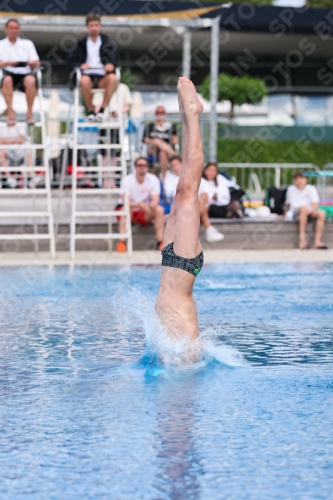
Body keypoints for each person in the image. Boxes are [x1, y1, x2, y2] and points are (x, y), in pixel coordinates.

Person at [155, 77, 206, 349]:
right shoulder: (189, 354)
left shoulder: (184, 355)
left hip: (172, 263)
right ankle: (192, 114)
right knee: (188, 189)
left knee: (183, 189)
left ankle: (188, 114)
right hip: (182, 265)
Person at [67, 13, 118, 123]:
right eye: (91, 25)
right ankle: (91, 111)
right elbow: (70, 61)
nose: (94, 28)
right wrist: (80, 65)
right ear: (87, 27)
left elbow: (115, 59)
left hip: (103, 76)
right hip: (87, 75)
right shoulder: (80, 43)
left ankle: (101, 111)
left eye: (96, 25)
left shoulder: (107, 43)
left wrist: (111, 65)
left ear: (100, 26)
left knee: (114, 78)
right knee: (84, 80)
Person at [164, 155, 224, 242]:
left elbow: (205, 193)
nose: (175, 167)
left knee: (200, 203)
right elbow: (173, 195)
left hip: (194, 206)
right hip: (177, 206)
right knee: (199, 205)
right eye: (173, 165)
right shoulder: (169, 180)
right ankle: (209, 230)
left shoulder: (194, 178)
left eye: (177, 164)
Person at [117, 157, 165, 252]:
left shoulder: (153, 179)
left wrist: (150, 206)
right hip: (131, 210)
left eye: (144, 165)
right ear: (135, 167)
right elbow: (125, 201)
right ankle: (122, 241)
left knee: (159, 210)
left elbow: (155, 199)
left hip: (145, 211)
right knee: (125, 210)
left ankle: (160, 241)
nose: (142, 167)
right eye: (140, 165)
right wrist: (139, 205)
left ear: (147, 167)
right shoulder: (127, 180)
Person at [0, 18, 40, 126]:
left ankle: (29, 114)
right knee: (7, 80)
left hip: (25, 73)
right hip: (8, 73)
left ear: (19, 29)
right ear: (6, 29)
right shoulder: (1, 44)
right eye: (11, 28)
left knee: (31, 80)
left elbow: (37, 62)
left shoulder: (28, 44)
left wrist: (32, 63)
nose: (14, 30)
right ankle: (11, 113)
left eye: (16, 28)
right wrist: (8, 63)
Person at [284, 171, 327, 249]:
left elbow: (315, 204)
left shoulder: (311, 189)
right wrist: (283, 215)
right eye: (297, 179)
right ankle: (302, 241)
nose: (299, 181)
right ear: (294, 181)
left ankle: (317, 241)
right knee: (303, 208)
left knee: (322, 213)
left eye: (301, 179)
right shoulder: (291, 189)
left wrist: (308, 211)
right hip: (296, 212)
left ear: (305, 179)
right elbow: (290, 205)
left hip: (308, 211)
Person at [143, 106, 178, 179]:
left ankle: (163, 178)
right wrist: (156, 141)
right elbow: (144, 139)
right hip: (152, 150)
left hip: (165, 152)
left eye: (162, 112)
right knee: (156, 140)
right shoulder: (150, 126)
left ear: (165, 114)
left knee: (162, 154)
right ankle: (176, 155)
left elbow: (175, 141)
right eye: (158, 112)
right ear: (155, 114)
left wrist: (162, 145)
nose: (160, 114)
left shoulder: (171, 126)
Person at [0, 122, 32, 188]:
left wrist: (7, 140)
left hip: (19, 153)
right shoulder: (2, 126)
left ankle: (30, 178)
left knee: (28, 152)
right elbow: (1, 141)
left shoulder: (20, 125)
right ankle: (9, 179)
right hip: (8, 154)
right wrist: (14, 140)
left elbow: (21, 140)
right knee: (1, 153)